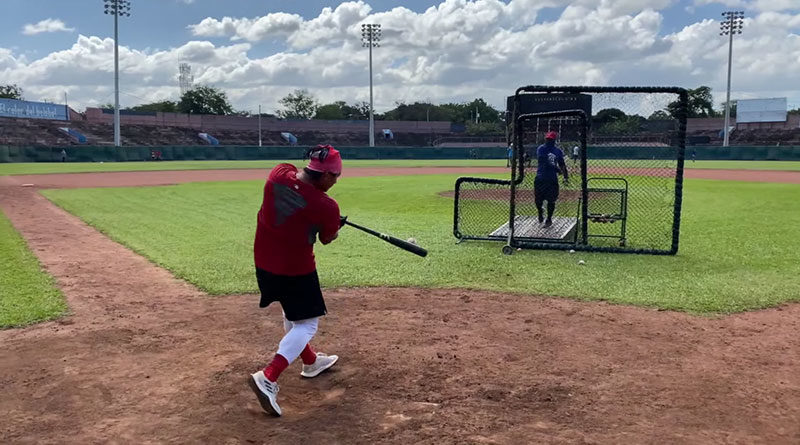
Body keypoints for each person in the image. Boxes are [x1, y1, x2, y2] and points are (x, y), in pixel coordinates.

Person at [248, 144, 344, 417]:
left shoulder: (278, 174)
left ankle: (311, 362)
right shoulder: (326, 205)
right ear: (325, 176)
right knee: (308, 323)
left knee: (293, 313)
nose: (335, 182)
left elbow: (297, 192)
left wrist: (328, 220)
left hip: (264, 264)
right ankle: (268, 376)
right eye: (334, 177)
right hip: (295, 270)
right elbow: (327, 238)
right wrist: (334, 225)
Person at [534, 131, 569, 228]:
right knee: (538, 200)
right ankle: (540, 211)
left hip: (552, 179)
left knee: (551, 200)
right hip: (541, 177)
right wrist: (557, 169)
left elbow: (562, 163)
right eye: (547, 139)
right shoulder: (541, 148)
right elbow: (543, 160)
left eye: (550, 139)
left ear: (554, 140)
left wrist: (566, 175)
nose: (548, 141)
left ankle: (549, 218)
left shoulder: (557, 151)